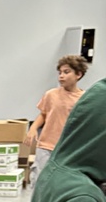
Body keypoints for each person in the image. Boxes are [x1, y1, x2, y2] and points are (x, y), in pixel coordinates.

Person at [25, 54, 88, 188]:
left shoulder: (84, 98)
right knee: (40, 181)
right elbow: (43, 114)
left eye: (66, 72)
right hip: (46, 146)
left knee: (62, 183)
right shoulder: (51, 94)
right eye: (59, 72)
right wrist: (32, 129)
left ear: (78, 75)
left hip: (68, 148)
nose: (61, 76)